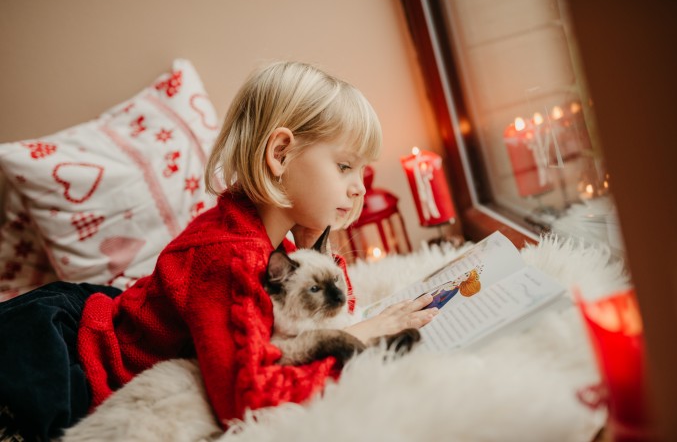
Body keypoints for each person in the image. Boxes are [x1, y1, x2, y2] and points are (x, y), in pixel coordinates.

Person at [0, 61, 438, 440]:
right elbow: (247, 398)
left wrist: (314, 249)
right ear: (280, 154)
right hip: (65, 367)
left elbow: (322, 308)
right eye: (344, 166)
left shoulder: (256, 222)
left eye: (362, 170)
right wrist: (356, 341)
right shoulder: (232, 259)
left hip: (99, 316)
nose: (358, 187)